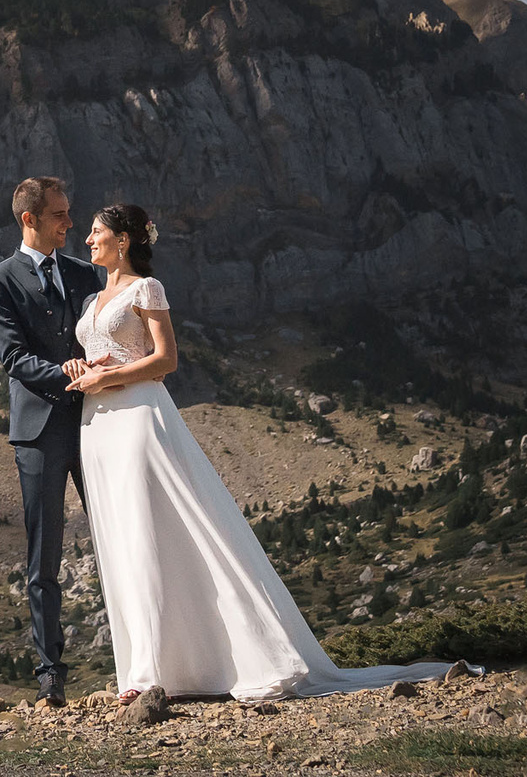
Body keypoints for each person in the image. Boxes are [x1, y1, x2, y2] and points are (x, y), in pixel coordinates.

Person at [66, 203, 458, 700]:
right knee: (122, 537)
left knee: (150, 531)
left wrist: (109, 375)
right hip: (98, 425)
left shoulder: (147, 289)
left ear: (123, 239)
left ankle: (155, 673)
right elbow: (112, 352)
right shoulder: (92, 300)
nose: (87, 240)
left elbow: (165, 361)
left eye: (96, 232)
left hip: (140, 417)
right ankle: (158, 666)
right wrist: (83, 369)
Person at [0, 175, 103, 706]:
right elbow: (12, 359)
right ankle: (50, 674)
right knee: (43, 556)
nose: (70, 224)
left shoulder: (86, 274)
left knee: (122, 539)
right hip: (40, 431)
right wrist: (66, 371)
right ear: (29, 219)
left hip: (100, 424)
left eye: (70, 214)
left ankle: (143, 660)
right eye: (59, 216)